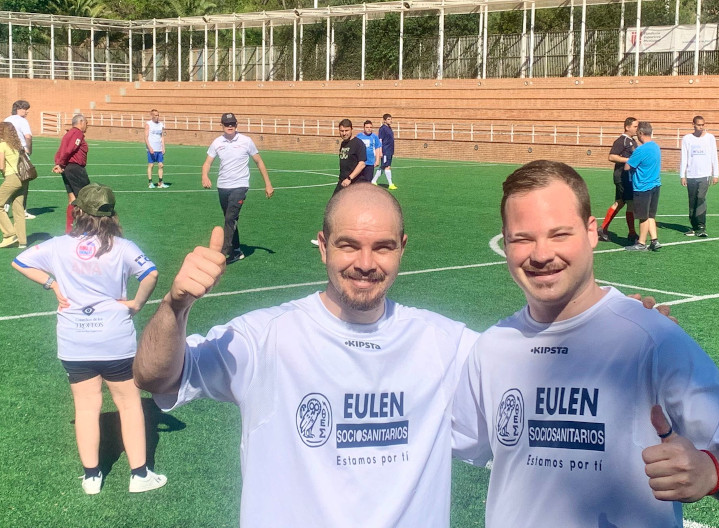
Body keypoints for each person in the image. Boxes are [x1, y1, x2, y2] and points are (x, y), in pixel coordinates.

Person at [133, 183, 478, 527]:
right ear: (324, 247)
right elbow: (154, 377)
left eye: (383, 247)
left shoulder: (443, 344)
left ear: (402, 248)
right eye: (349, 245)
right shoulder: (266, 337)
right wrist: (174, 306)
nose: (365, 263)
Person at [452, 160, 719, 528]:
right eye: (522, 238)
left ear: (590, 232)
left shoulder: (654, 339)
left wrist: (715, 471)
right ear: (505, 242)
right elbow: (442, 440)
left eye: (559, 234)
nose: (540, 254)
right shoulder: (492, 347)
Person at [12, 183, 167, 495]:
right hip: (115, 339)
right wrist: (136, 304)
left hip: (74, 339)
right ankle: (139, 475)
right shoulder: (123, 247)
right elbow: (150, 273)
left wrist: (52, 284)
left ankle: (91, 477)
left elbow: (20, 262)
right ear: (111, 214)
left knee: (85, 407)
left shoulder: (57, 245)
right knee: (128, 403)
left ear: (77, 210)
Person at [202, 112, 273, 264]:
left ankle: (223, 252)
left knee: (230, 218)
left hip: (240, 186)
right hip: (223, 186)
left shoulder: (246, 141)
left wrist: (268, 184)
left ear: (236, 125)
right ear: (222, 125)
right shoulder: (217, 143)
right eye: (227, 124)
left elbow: (259, 162)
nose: (230, 126)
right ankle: (236, 250)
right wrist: (205, 176)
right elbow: (207, 162)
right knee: (231, 220)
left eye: (232, 124)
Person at [309, 119, 367, 247]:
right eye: (341, 131)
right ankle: (325, 239)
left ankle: (357, 240)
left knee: (354, 213)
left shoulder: (358, 144)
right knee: (332, 209)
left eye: (346, 131)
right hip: (342, 183)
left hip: (354, 184)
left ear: (351, 129)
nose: (344, 133)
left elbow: (362, 164)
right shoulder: (343, 144)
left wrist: (350, 178)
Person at [597, 117, 638, 243]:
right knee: (626, 203)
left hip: (628, 177)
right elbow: (611, 156)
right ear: (627, 127)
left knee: (621, 203)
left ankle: (603, 229)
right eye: (635, 126)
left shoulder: (632, 141)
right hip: (622, 177)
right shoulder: (622, 141)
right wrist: (628, 160)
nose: (637, 128)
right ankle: (631, 233)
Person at [624, 121, 662, 251]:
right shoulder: (656, 147)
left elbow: (627, 166)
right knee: (651, 215)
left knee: (643, 216)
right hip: (655, 185)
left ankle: (641, 243)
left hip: (642, 186)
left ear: (640, 133)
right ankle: (654, 240)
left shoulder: (640, 150)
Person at [680, 115, 719, 238]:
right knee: (692, 201)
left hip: (705, 174)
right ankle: (694, 226)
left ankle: (701, 227)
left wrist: (715, 174)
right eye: (698, 125)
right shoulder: (687, 139)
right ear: (693, 124)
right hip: (691, 175)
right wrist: (682, 175)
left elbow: (714, 156)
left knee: (700, 198)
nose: (701, 127)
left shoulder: (710, 138)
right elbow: (684, 157)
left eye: (703, 125)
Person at [53, 114, 91, 234]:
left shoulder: (67, 134)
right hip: (75, 169)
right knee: (85, 198)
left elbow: (61, 150)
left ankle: (69, 230)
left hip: (67, 169)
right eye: (86, 123)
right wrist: (61, 163)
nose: (87, 126)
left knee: (72, 199)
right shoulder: (77, 133)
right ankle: (84, 229)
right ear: (81, 122)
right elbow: (70, 149)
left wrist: (59, 164)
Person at [0, 121, 27, 248]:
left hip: (12, 178)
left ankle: (9, 234)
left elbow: (1, 166)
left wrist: (3, 172)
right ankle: (22, 241)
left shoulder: (2, 145)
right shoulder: (17, 145)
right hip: (23, 178)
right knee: (18, 209)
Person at [3, 100, 36, 219]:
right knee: (24, 181)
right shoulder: (22, 121)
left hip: (7, 153)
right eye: (25, 109)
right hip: (20, 153)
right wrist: (29, 149)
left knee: (11, 180)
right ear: (18, 109)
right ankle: (22, 210)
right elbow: (28, 136)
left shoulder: (6, 120)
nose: (27, 111)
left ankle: (6, 204)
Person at [145, 109, 169, 189]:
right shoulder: (148, 124)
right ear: (151, 116)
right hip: (152, 148)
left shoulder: (161, 125)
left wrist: (163, 147)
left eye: (158, 115)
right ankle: (150, 182)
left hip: (159, 149)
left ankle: (160, 182)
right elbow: (146, 137)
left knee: (161, 165)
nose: (157, 117)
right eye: (155, 115)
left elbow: (162, 136)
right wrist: (149, 147)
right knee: (151, 165)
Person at [372, 113, 396, 189]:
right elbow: (380, 140)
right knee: (387, 166)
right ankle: (390, 184)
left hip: (390, 150)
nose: (390, 120)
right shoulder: (382, 129)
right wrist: (380, 151)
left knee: (383, 166)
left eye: (391, 119)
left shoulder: (389, 128)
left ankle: (373, 181)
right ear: (384, 120)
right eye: (388, 119)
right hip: (385, 150)